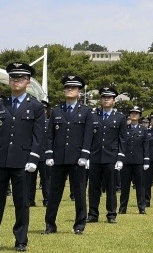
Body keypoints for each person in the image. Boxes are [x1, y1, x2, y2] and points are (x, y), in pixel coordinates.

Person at [0, 62, 46, 253]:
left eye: (20, 78)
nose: (16, 81)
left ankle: (21, 240)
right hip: (0, 160)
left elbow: (38, 135)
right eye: (13, 78)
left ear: (28, 82)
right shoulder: (1, 105)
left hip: (23, 162)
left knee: (21, 202)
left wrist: (33, 158)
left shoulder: (35, 106)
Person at [44, 75, 94, 234]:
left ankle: (79, 225)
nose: (69, 89)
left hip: (77, 159)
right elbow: (49, 134)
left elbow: (88, 135)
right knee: (54, 194)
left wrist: (85, 155)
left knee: (79, 193)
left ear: (79, 91)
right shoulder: (56, 111)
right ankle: (50, 225)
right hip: (58, 158)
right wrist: (49, 154)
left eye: (73, 87)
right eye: (67, 87)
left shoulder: (86, 112)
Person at [89, 86, 125, 224]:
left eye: (109, 97)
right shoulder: (93, 116)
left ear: (114, 100)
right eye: (104, 97)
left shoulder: (120, 118)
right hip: (95, 156)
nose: (106, 100)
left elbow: (122, 139)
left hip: (111, 157)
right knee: (93, 187)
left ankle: (111, 214)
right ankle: (93, 214)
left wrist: (120, 157)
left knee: (111, 188)